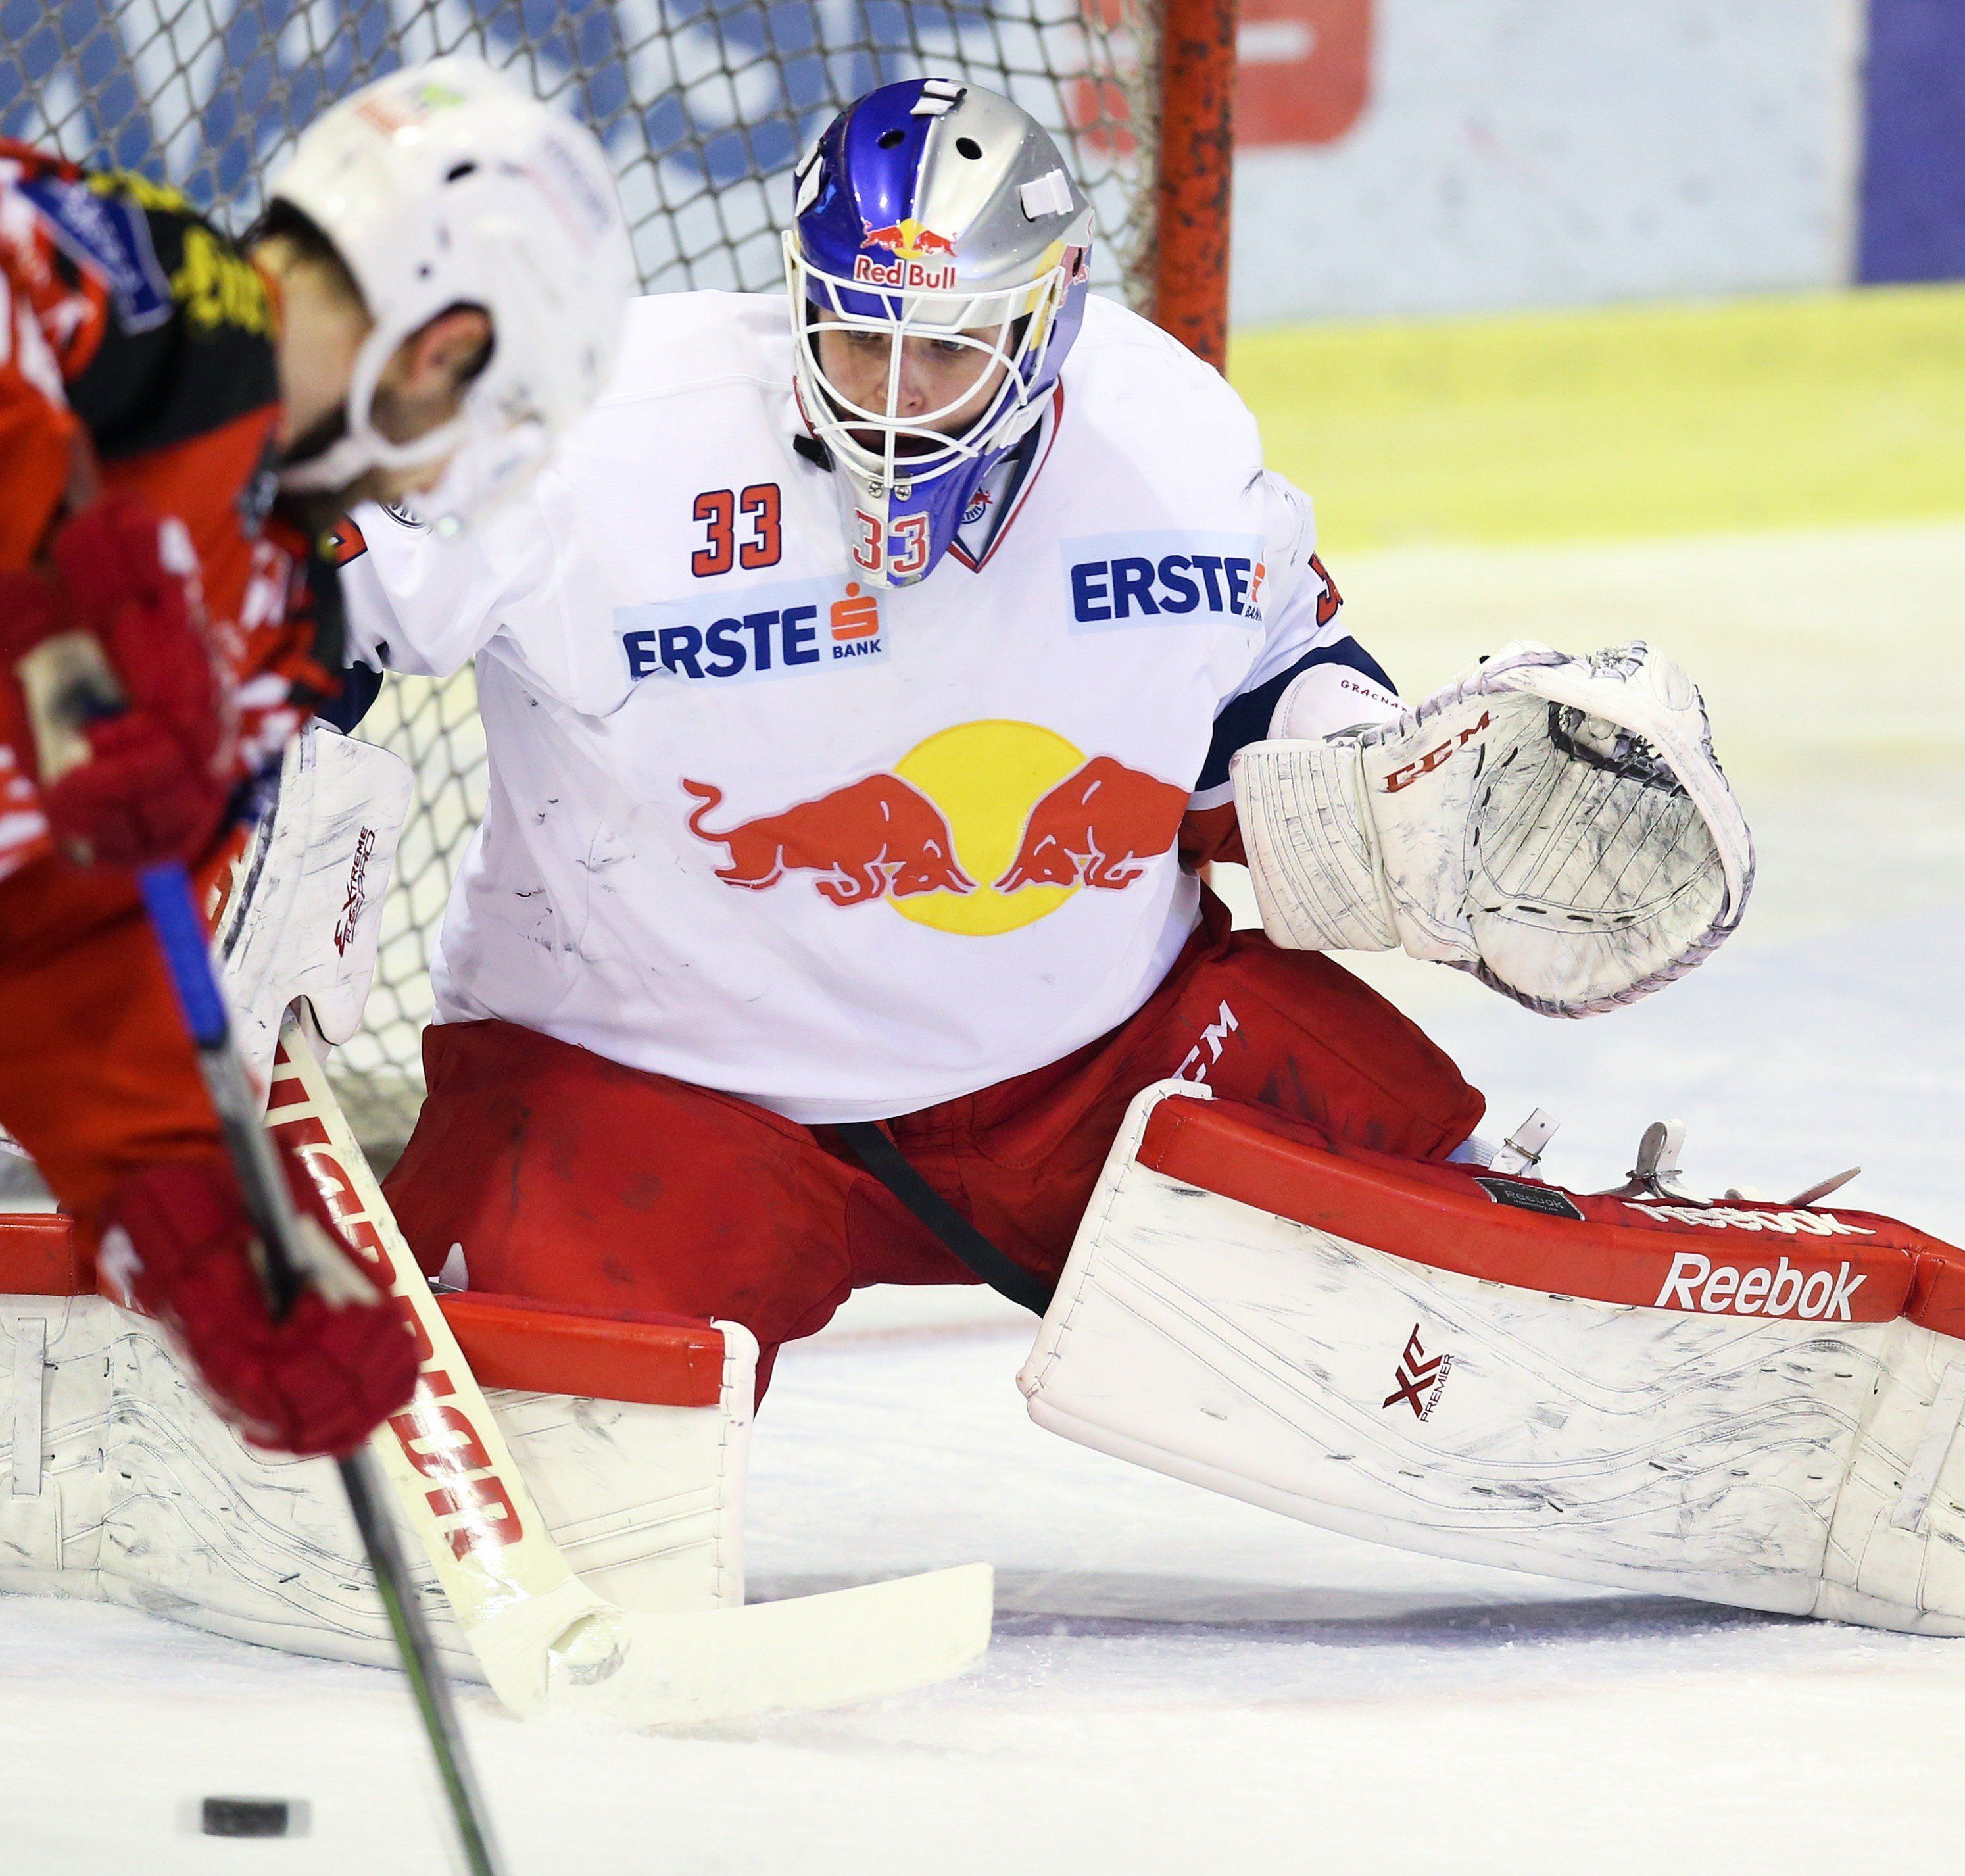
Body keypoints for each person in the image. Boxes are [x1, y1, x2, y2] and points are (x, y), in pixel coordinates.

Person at [336, 74, 1492, 1404]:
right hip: (657, 1098)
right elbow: (326, 587)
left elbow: (1270, 687)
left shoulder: (1165, 442)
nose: (890, 394)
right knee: (545, 1392)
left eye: (945, 349)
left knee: (1443, 1244)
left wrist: (1402, 792)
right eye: (854, 337)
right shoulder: (595, 422)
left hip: (1086, 1084)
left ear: (1046, 317)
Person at [0, 55, 630, 1867]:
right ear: (434, 346)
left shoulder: (261, 618)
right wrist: (62, 556)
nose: (445, 471)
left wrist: (207, 1240)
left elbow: (66, 977)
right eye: (479, 423)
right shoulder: (128, 290)